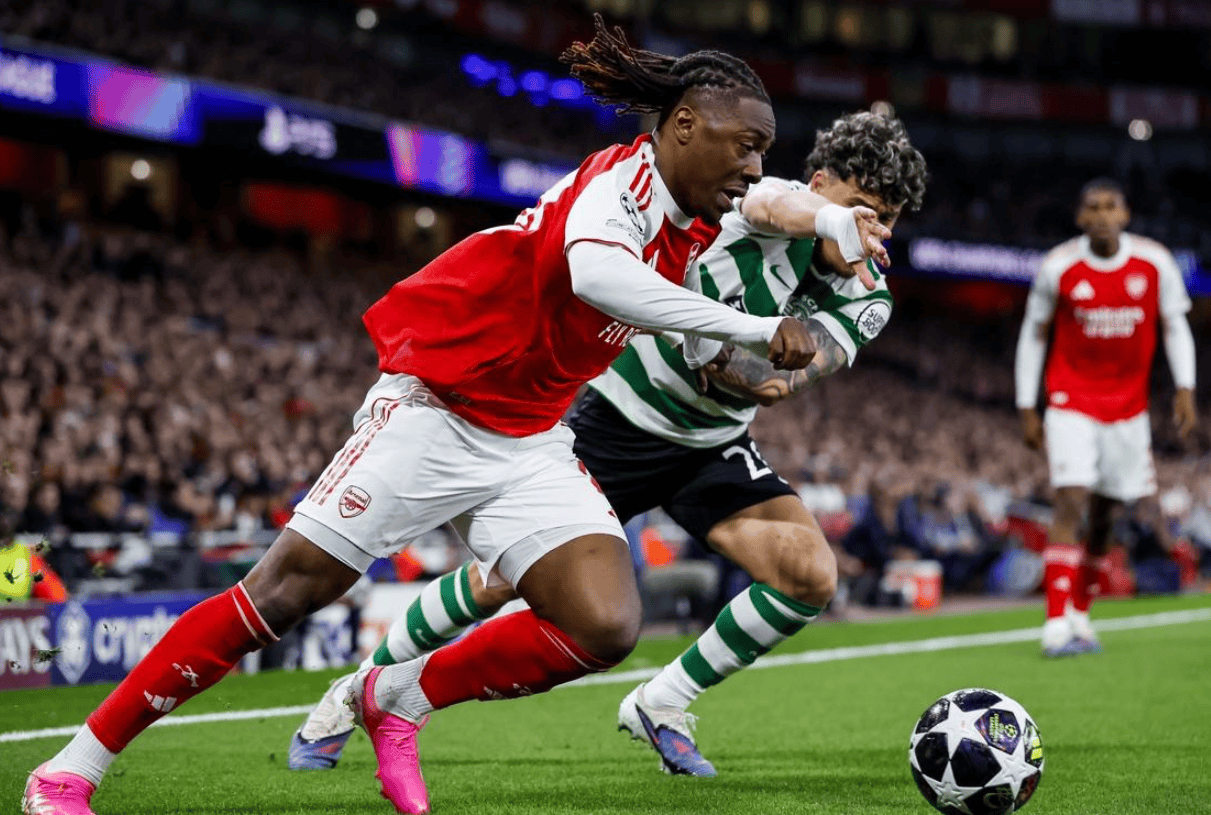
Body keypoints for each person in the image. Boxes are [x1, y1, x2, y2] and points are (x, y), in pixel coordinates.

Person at [23, 17, 820, 815]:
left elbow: (668, 291)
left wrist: (709, 350)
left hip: (530, 437)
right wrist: (751, 328)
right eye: (744, 144)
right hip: (438, 407)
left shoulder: (692, 220)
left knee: (601, 623)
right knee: (283, 593)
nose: (753, 166)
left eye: (762, 150)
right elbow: (596, 278)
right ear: (683, 126)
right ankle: (68, 769)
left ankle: (395, 695)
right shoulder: (623, 187)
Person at [287, 111, 926, 778]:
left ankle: (661, 702)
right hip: (618, 419)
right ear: (819, 186)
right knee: (496, 580)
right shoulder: (771, 201)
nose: (871, 231)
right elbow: (772, 205)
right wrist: (821, 229)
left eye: (885, 219)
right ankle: (352, 692)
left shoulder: (869, 296)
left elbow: (775, 382)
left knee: (808, 574)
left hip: (709, 441)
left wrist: (712, 348)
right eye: (859, 208)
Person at [1015, 177, 1197, 658]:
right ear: (1080, 217)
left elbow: (1175, 325)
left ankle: (1080, 612)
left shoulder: (1155, 262)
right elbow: (1034, 333)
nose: (1101, 215)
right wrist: (1026, 405)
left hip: (1129, 409)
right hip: (1071, 400)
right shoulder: (1058, 266)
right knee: (1070, 499)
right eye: (1092, 207)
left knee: (1105, 517)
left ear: (1125, 214)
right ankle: (1055, 624)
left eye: (1109, 206)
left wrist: (1185, 387)